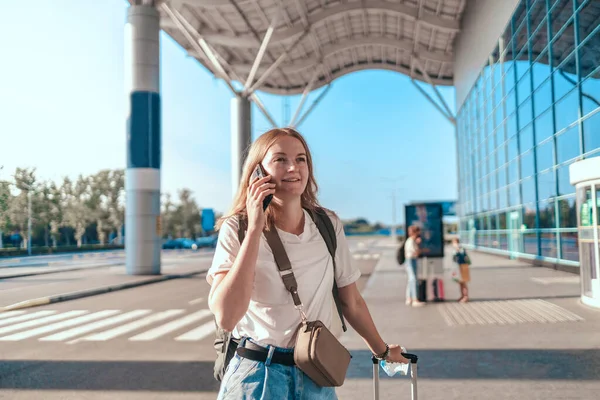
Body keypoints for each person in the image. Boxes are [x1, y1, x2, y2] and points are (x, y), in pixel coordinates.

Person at [207, 127, 409, 399]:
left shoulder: (327, 225)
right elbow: (227, 316)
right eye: (280, 159)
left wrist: (383, 351)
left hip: (316, 374)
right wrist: (255, 228)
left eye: (301, 159)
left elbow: (352, 302)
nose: (293, 167)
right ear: (258, 172)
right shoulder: (237, 228)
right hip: (257, 378)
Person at [404, 225, 425, 307]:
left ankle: (409, 298)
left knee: (411, 279)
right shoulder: (411, 241)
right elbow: (415, 252)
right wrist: (419, 248)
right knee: (413, 279)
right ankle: (414, 299)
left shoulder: (411, 241)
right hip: (411, 260)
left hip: (410, 260)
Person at [451, 238, 471, 303]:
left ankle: (465, 296)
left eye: (454, 243)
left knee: (463, 282)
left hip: (463, 267)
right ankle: (462, 295)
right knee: (460, 283)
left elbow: (462, 257)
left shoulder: (461, 249)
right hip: (458, 267)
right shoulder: (455, 250)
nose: (454, 244)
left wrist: (457, 250)